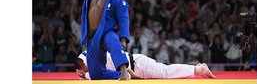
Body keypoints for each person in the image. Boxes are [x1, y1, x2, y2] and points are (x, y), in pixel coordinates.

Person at [75, 50, 216, 79]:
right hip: (134, 66)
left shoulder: (98, 58)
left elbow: (124, 69)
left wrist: (87, 75)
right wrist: (87, 74)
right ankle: (197, 68)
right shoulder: (88, 56)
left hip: (138, 65)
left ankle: (199, 68)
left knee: (165, 72)